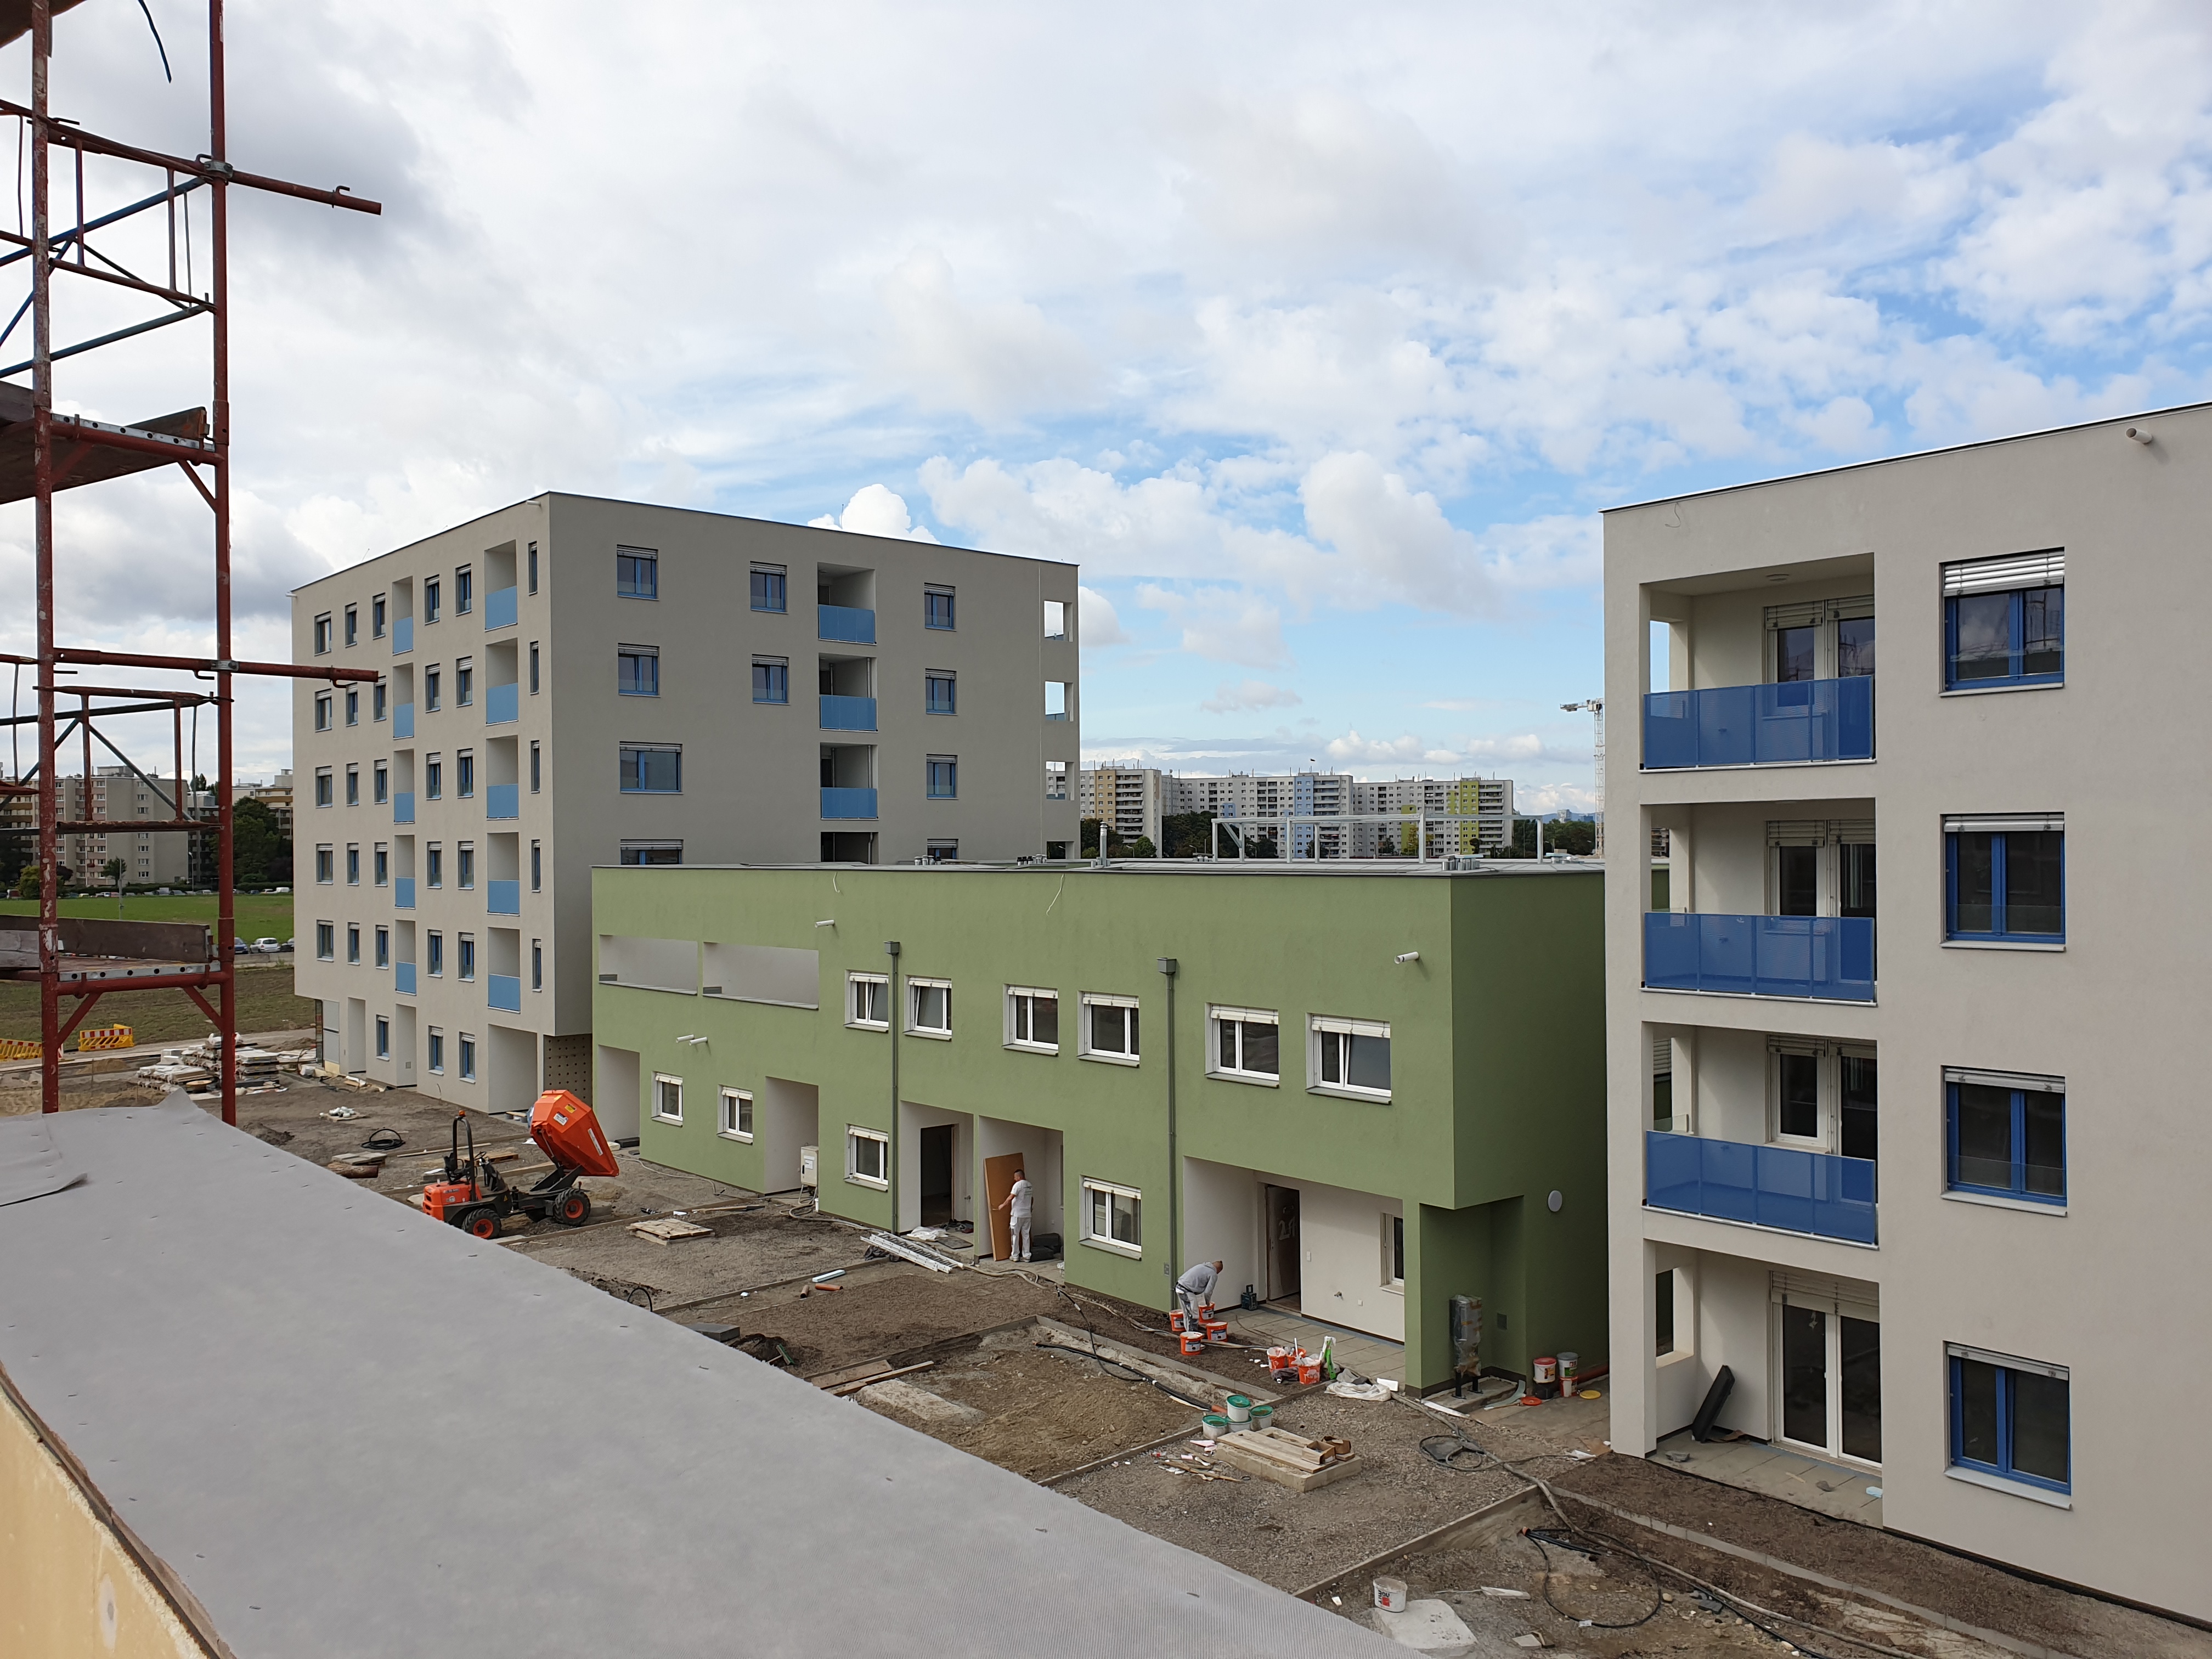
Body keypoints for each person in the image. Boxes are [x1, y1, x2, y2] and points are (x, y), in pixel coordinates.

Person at [994, 1167, 1033, 1262]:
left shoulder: (1018, 1185)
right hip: (1027, 1214)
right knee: (1026, 1235)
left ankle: (1015, 1256)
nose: (1014, 1179)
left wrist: (1003, 1205)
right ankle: (1027, 1256)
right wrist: (1030, 1208)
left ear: (1019, 1177)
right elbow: (1032, 1199)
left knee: (1015, 1235)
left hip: (1017, 1215)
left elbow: (1011, 1197)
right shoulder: (1029, 1185)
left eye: (1015, 1177)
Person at [1176, 1259, 1224, 1324]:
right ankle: (1192, 1330)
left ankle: (1188, 1330)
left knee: (1186, 1314)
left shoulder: (1201, 1266)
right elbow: (1208, 1292)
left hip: (1179, 1287)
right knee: (1194, 1315)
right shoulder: (1213, 1274)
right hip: (1187, 1291)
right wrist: (1208, 1303)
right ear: (1219, 1270)